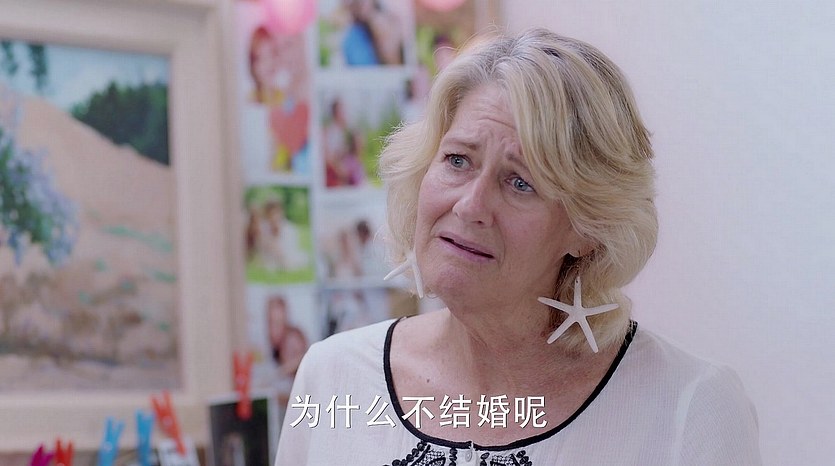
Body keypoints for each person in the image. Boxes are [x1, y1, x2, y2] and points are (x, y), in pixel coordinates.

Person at [275, 28, 761, 464]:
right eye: (458, 160)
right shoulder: (332, 377)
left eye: (520, 183)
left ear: (588, 229)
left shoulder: (689, 409)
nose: (470, 206)